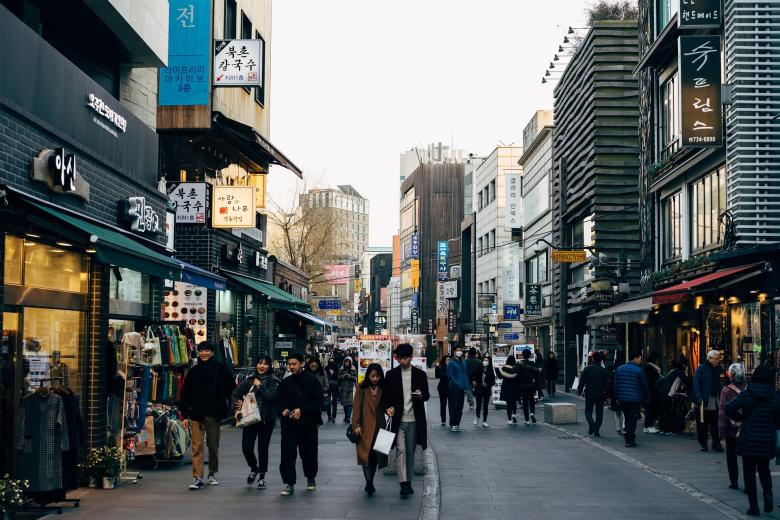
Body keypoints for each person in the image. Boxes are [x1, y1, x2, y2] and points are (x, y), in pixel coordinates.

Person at [180, 341, 235, 490]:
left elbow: (232, 389)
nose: (204, 353)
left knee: (212, 445)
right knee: (196, 446)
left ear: (212, 352)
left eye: (207, 351)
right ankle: (197, 477)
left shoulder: (221, 369)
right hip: (196, 414)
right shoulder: (194, 371)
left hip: (214, 413)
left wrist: (235, 406)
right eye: (201, 351)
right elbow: (185, 394)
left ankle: (212, 473)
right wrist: (185, 415)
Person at [726, 365, 780, 517]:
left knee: (749, 474)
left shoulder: (747, 394)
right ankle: (768, 494)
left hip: (749, 438)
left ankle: (754, 506)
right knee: (764, 470)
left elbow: (729, 408)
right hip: (767, 439)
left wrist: (742, 418)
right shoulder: (775, 396)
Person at [382, 343, 430, 498]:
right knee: (400, 450)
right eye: (399, 358)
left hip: (415, 419)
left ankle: (408, 482)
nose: (402, 361)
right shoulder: (391, 375)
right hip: (398, 419)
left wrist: (420, 394)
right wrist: (388, 408)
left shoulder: (420, 374)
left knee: (410, 452)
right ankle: (403, 483)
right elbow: (385, 397)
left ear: (411, 357)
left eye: (405, 358)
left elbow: (427, 395)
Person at [274, 353, 323, 496]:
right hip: (289, 424)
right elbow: (277, 400)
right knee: (288, 454)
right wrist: (282, 409)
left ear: (302, 364)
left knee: (308, 453)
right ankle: (289, 483)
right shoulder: (285, 382)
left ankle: (311, 477)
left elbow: (318, 401)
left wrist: (302, 409)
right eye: (289, 364)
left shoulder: (312, 380)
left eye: (294, 364)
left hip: (308, 424)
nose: (291, 367)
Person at [232, 355, 280, 489]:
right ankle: (254, 467)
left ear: (269, 366)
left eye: (265, 364)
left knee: (262, 448)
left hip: (266, 420)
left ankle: (262, 477)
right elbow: (236, 393)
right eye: (260, 363)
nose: (262, 366)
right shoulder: (249, 380)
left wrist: (260, 386)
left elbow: (271, 397)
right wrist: (237, 405)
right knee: (246, 447)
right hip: (249, 418)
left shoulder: (274, 380)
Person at [351, 363, 388, 496]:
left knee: (374, 456)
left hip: (379, 426)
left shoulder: (383, 387)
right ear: (368, 375)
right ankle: (368, 482)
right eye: (372, 376)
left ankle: (370, 480)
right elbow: (356, 406)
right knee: (365, 456)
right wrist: (356, 425)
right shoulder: (362, 386)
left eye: (377, 376)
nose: (375, 379)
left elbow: (386, 404)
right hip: (364, 426)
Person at [614, 350, 650, 447]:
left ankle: (629, 438)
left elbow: (616, 385)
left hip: (623, 399)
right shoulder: (639, 370)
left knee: (627, 417)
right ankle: (629, 440)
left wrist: (617, 397)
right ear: (636, 358)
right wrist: (647, 397)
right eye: (640, 358)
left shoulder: (620, 369)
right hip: (635, 399)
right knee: (632, 420)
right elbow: (644, 385)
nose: (640, 360)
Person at [719, 363, 746, 491]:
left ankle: (734, 481)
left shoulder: (726, 390)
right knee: (747, 458)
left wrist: (721, 432)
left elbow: (723, 413)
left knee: (731, 456)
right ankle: (748, 483)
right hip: (746, 428)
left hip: (731, 429)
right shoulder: (748, 389)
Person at [692, 350, 724, 452]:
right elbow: (696, 383)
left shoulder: (719, 369)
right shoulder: (701, 368)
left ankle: (716, 442)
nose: (715, 361)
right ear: (708, 359)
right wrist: (698, 397)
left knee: (716, 423)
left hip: (715, 400)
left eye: (717, 359)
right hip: (704, 400)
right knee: (702, 424)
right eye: (713, 358)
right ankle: (703, 443)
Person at [578, 351, 609, 436]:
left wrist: (579, 390)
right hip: (600, 393)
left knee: (588, 410)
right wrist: (608, 395)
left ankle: (591, 424)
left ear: (593, 358)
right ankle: (596, 430)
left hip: (589, 392)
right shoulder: (604, 371)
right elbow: (607, 385)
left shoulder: (587, 369)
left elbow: (582, 381)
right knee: (599, 412)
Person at [658, 359, 688, 434]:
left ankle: (663, 428)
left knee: (663, 411)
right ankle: (668, 429)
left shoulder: (673, 371)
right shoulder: (680, 372)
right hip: (669, 393)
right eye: (686, 365)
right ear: (683, 365)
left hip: (662, 392)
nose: (686, 367)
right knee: (668, 411)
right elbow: (687, 381)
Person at [447, 346, 470, 432]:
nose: (459, 352)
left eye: (460, 350)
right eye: (457, 350)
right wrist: (457, 383)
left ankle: (457, 423)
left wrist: (465, 384)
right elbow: (450, 376)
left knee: (460, 407)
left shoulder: (463, 361)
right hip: (454, 387)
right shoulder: (451, 363)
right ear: (454, 352)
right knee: (454, 406)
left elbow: (465, 373)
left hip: (462, 388)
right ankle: (453, 424)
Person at [470, 354, 496, 428]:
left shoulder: (490, 370)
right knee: (478, 405)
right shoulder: (478, 368)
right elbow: (471, 374)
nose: (485, 361)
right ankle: (477, 417)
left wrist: (487, 384)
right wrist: (473, 381)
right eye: (484, 360)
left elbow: (493, 381)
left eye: (487, 360)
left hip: (486, 390)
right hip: (479, 388)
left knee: (485, 406)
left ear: (489, 362)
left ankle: (485, 421)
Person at [517, 349, 541, 425]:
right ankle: (532, 413)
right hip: (531, 385)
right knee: (531, 400)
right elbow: (537, 374)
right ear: (530, 355)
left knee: (525, 402)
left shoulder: (520, 364)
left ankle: (526, 419)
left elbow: (518, 375)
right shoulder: (533, 363)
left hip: (523, 385)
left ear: (523, 355)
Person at [643, 352, 662, 433]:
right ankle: (648, 426)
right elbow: (651, 381)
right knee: (650, 409)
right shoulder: (650, 368)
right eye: (657, 359)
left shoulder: (650, 367)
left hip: (652, 392)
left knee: (651, 409)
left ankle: (650, 425)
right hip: (651, 392)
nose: (658, 361)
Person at [499, 355, 520, 425]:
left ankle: (509, 419)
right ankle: (514, 414)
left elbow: (500, 376)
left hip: (506, 386)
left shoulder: (505, 368)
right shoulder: (516, 368)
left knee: (508, 404)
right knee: (514, 402)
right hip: (515, 386)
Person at [609, 350, 626, 435]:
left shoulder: (614, 367)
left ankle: (618, 428)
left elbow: (611, 382)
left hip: (614, 393)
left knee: (617, 411)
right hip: (623, 392)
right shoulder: (624, 366)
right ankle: (624, 426)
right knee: (624, 411)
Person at [339, 357, 357, 423]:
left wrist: (350, 377)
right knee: (345, 404)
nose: (347, 363)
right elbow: (338, 377)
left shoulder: (353, 368)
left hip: (351, 388)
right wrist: (343, 376)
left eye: (348, 362)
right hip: (343, 388)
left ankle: (348, 417)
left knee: (350, 403)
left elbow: (356, 378)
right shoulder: (341, 368)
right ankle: (346, 416)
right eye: (346, 362)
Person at [434, 355, 451, 426]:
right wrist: (437, 367)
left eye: (449, 360)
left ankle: (451, 419)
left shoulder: (452, 367)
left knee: (451, 405)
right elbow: (437, 375)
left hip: (451, 388)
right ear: (444, 360)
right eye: (447, 360)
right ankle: (443, 420)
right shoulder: (442, 367)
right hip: (442, 388)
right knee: (443, 404)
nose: (448, 361)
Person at [324, 359, 339, 423]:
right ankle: (329, 416)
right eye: (330, 361)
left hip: (335, 387)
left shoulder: (336, 368)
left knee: (334, 402)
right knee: (328, 402)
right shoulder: (326, 368)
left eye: (332, 361)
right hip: (328, 387)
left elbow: (339, 377)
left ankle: (334, 417)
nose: (331, 362)